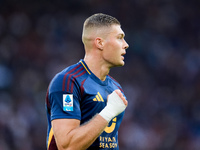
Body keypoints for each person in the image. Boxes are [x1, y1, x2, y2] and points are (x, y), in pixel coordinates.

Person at [45, 13, 129, 150]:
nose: (126, 45)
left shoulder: (115, 87)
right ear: (100, 43)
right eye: (120, 38)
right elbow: (67, 146)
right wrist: (108, 112)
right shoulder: (68, 82)